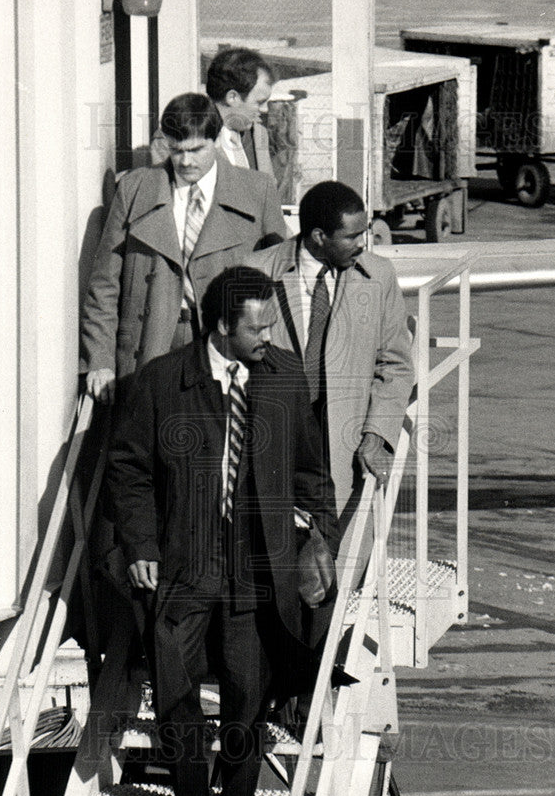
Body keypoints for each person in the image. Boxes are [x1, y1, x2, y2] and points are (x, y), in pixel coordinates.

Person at [107, 266, 339, 796]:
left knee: (245, 707)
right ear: (220, 328)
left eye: (271, 322)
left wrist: (318, 531)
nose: (269, 336)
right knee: (178, 706)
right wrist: (141, 545)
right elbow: (127, 471)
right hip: (182, 571)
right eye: (257, 327)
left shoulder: (284, 376)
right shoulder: (159, 384)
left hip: (255, 575)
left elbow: (313, 468)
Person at [249, 180, 414, 572]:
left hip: (340, 435)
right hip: (276, 434)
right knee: (271, 544)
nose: (364, 244)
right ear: (319, 237)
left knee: (329, 554)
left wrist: (377, 434)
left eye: (366, 232)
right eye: (353, 236)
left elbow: (396, 365)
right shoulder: (254, 273)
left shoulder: (379, 276)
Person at [80, 92, 286, 404]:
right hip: (148, 344)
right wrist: (100, 359)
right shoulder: (134, 189)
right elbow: (105, 283)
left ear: (216, 139)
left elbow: (279, 283)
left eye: (196, 150)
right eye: (176, 151)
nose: (186, 161)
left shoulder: (258, 190)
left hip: (223, 345)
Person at [150, 47, 275, 177]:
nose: (265, 109)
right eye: (259, 102)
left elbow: (270, 191)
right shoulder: (173, 139)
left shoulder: (259, 134)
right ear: (232, 97)